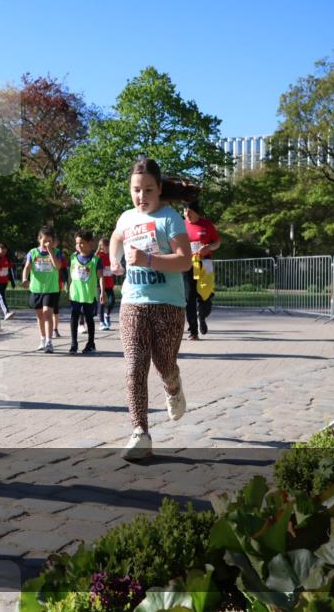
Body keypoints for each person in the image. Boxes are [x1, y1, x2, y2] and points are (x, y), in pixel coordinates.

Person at [109, 157, 198, 460]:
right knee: (134, 366)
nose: (142, 196)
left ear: (159, 189)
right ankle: (140, 433)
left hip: (169, 305)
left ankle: (173, 388)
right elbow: (116, 238)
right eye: (136, 190)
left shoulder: (169, 218)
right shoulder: (125, 218)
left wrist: (148, 260)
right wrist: (113, 261)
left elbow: (185, 260)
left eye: (148, 190)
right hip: (133, 302)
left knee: (164, 364)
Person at [21, 226, 64, 354]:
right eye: (44, 240)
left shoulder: (56, 252)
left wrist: (50, 251)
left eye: (49, 241)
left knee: (47, 313)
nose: (46, 243)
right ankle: (42, 338)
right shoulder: (32, 252)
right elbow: (27, 267)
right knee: (40, 315)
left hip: (51, 289)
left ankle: (49, 342)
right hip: (36, 288)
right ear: (39, 239)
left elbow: (58, 266)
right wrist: (24, 278)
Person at [183, 201, 221, 340]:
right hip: (188, 264)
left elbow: (217, 242)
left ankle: (202, 316)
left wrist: (209, 248)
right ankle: (193, 331)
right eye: (185, 212)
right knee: (189, 297)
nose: (187, 215)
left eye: (190, 212)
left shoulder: (207, 224)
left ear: (196, 212)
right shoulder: (181, 225)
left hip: (204, 263)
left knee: (205, 296)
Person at [66, 230, 106, 354]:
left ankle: (91, 343)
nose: (79, 245)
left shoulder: (95, 260)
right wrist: (67, 287)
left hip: (89, 294)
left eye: (82, 243)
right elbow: (69, 274)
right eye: (77, 243)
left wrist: (102, 292)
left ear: (90, 243)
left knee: (89, 318)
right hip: (75, 294)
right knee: (74, 317)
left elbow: (100, 277)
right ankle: (74, 343)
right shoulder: (73, 257)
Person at [0, 242, 15, 320]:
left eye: (5, 248)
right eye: (2, 248)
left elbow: (10, 270)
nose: (4, 250)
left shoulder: (7, 259)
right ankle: (6, 312)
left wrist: (12, 281)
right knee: (1, 297)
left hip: (4, 282)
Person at [96, 236, 116, 330]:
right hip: (100, 283)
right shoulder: (98, 256)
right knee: (102, 302)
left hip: (109, 283)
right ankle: (101, 322)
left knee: (112, 301)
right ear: (101, 246)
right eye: (105, 246)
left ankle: (107, 315)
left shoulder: (112, 255)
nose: (107, 248)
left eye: (108, 246)